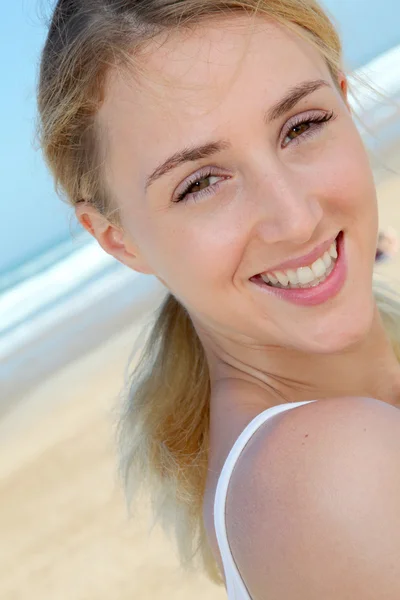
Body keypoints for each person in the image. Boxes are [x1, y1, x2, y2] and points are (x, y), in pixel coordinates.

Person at [37, 1, 400, 598]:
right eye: (200, 183)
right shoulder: (331, 472)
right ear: (118, 239)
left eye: (301, 126)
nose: (294, 217)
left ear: (343, 98)